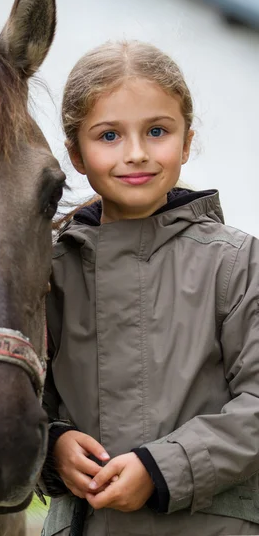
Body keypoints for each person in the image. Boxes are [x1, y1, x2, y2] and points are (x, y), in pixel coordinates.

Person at [39, 40, 259, 536]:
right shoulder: (48, 271)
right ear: (75, 153)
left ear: (186, 141)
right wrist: (50, 445)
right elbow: (19, 400)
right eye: (109, 135)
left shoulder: (237, 262)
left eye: (157, 131)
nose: (136, 153)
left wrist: (163, 469)